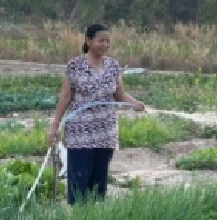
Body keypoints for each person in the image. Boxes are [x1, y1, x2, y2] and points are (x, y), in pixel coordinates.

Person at [47, 23, 145, 204]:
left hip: (105, 132)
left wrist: (134, 103)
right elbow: (65, 97)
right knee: (79, 179)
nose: (105, 44)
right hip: (80, 132)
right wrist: (54, 127)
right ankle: (79, 215)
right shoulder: (74, 66)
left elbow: (119, 94)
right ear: (89, 40)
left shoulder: (113, 65)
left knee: (99, 181)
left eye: (107, 41)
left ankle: (95, 216)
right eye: (101, 40)